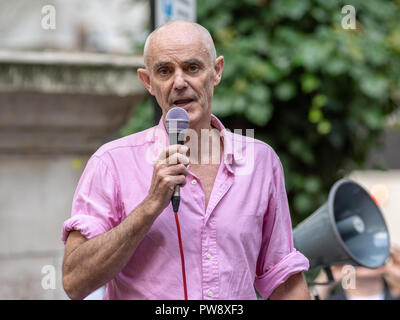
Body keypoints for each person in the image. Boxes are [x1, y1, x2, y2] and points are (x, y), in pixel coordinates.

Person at [61, 20, 310, 300]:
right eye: (165, 71)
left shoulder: (260, 161)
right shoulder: (111, 162)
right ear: (148, 82)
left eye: (192, 68)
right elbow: (75, 281)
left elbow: (283, 279)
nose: (179, 82)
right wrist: (151, 205)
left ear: (216, 71)